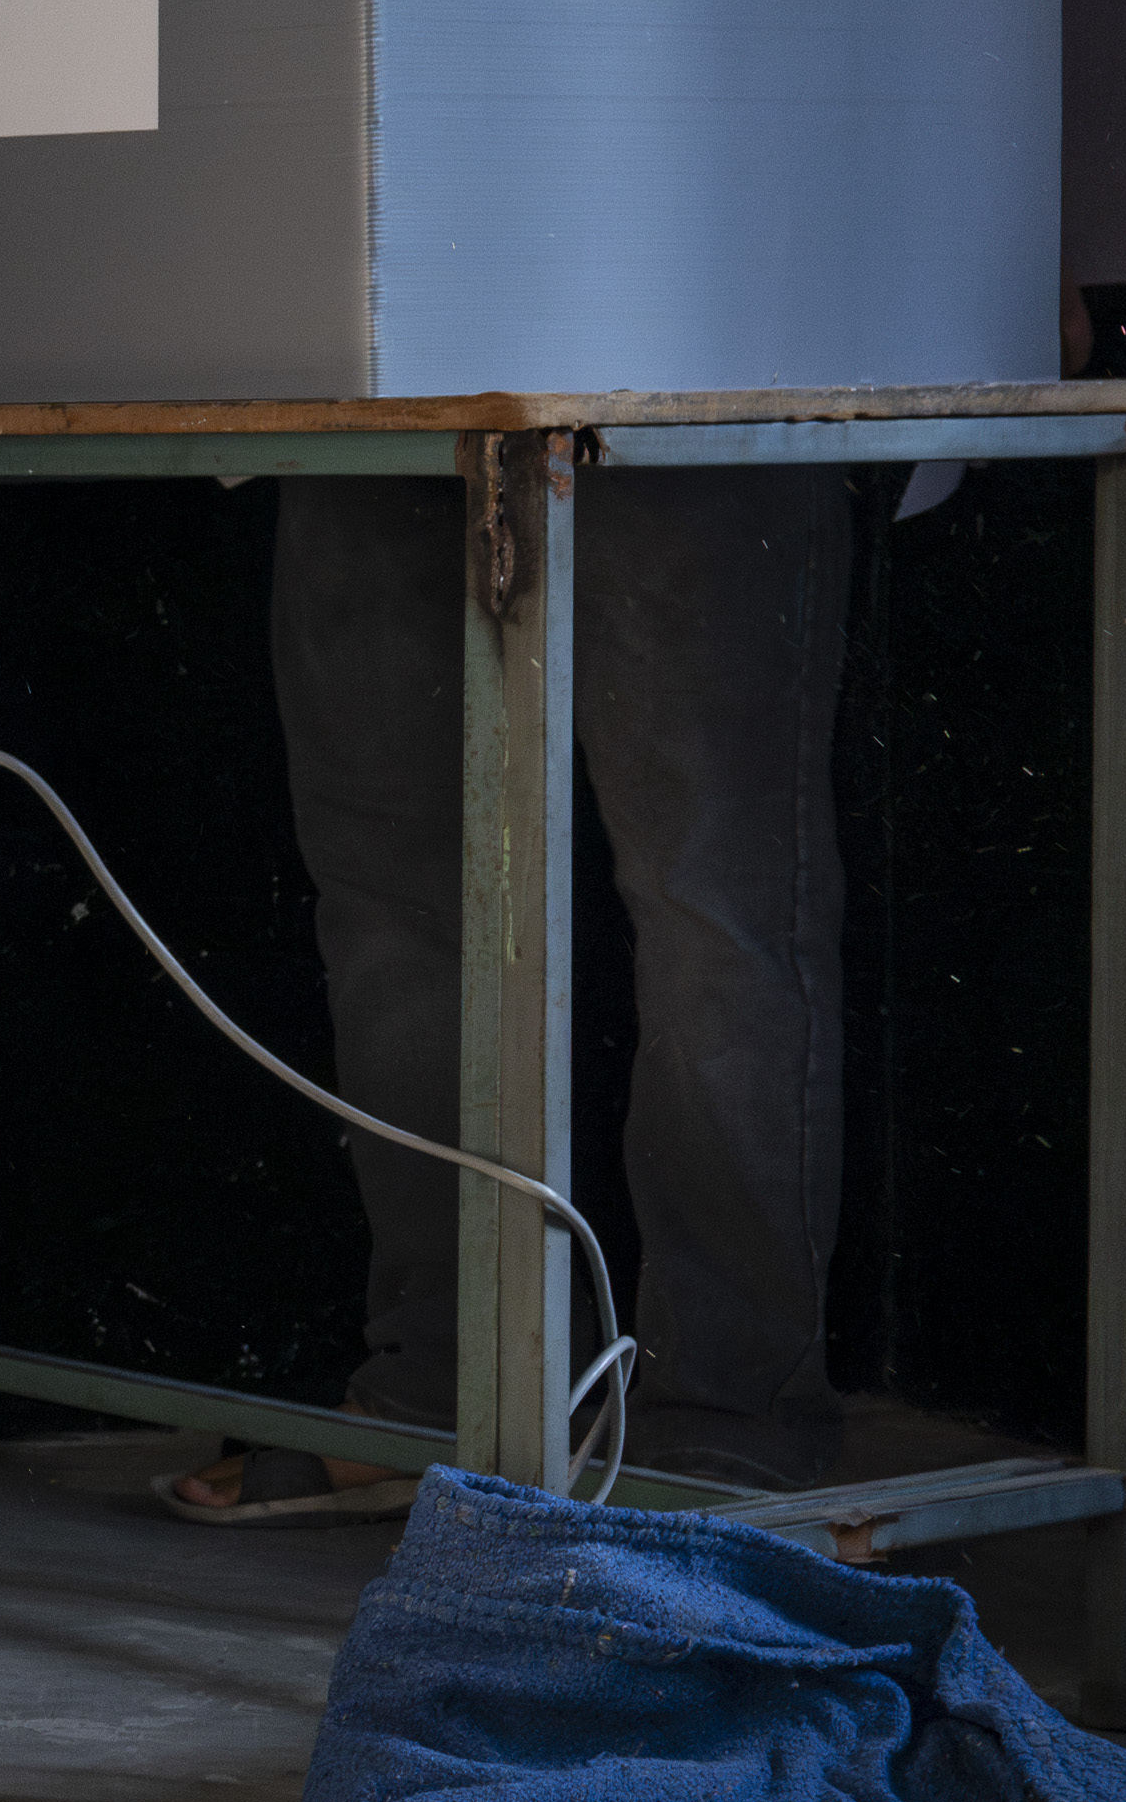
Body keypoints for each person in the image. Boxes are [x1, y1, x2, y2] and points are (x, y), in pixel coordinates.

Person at [175, 477, 853, 1517]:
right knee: (389, 906)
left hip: (683, 373)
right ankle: (445, 1392)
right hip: (374, 402)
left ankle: (727, 1414)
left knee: (712, 912)